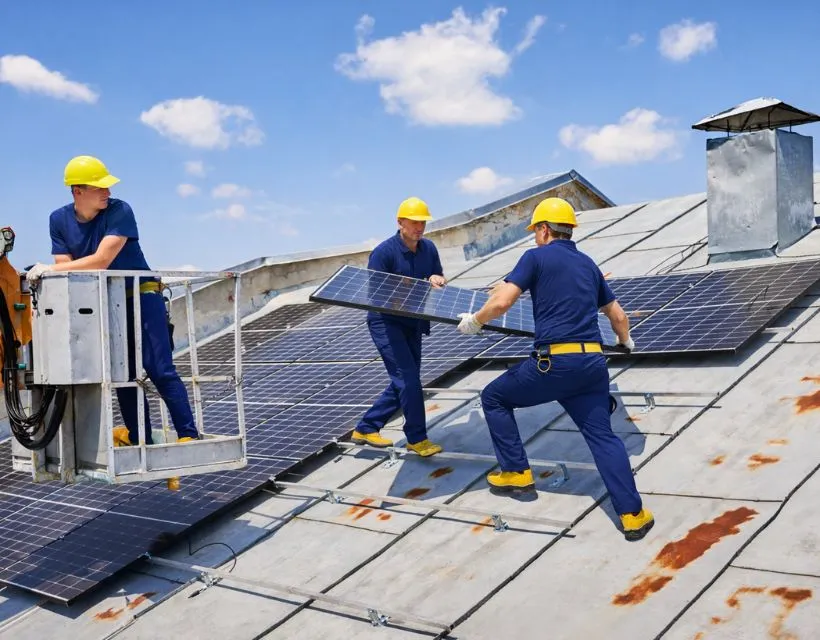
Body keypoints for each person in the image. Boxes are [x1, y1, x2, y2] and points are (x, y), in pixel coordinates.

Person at [456, 197, 654, 541]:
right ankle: (633, 514)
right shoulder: (589, 265)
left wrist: (475, 320)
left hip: (554, 364)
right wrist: (626, 343)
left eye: (535, 231)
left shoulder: (535, 257)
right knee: (603, 437)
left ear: (545, 230)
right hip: (592, 365)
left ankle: (516, 472)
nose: (534, 238)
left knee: (494, 397)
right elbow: (618, 317)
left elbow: (503, 301)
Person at [26, 155, 198, 490]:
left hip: (141, 294)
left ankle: (188, 436)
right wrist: (54, 269)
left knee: (159, 368)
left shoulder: (120, 210)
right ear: (78, 191)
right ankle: (139, 439)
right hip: (105, 301)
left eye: (108, 186)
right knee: (122, 375)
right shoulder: (58, 220)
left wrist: (47, 269)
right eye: (99, 186)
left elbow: (102, 260)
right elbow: (67, 265)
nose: (107, 191)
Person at [350, 197, 446, 457]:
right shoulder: (384, 252)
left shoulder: (429, 249)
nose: (419, 227)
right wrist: (398, 287)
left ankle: (367, 427)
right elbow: (375, 293)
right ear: (400, 222)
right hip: (386, 321)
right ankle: (417, 438)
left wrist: (436, 278)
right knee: (409, 380)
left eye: (422, 223)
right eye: (414, 222)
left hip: (413, 321)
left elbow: (436, 274)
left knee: (404, 381)